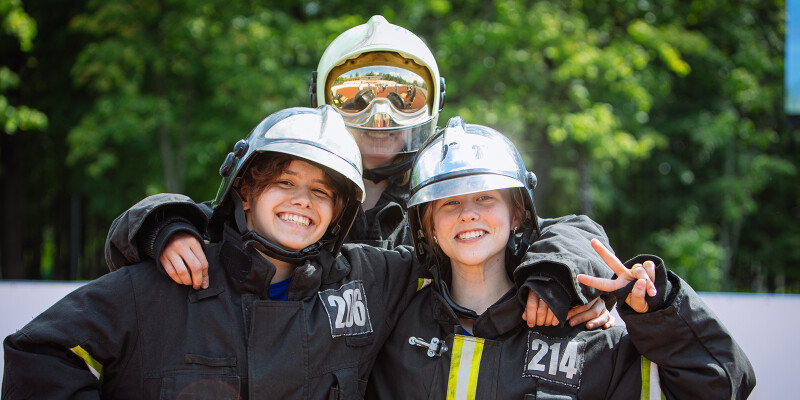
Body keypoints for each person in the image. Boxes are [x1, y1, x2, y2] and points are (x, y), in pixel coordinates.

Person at [2, 107, 611, 399]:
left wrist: (561, 273)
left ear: (343, 210)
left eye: (322, 191)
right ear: (246, 186)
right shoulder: (169, 275)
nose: (302, 203)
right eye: (283, 183)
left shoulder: (374, 277)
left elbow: (495, 230)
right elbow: (38, 352)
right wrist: (160, 218)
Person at [98, 15, 614, 332]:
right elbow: (215, 224)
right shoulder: (288, 187)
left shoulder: (442, 199)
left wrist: (557, 278)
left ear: (430, 105)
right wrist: (164, 224)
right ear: (323, 100)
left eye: (403, 95)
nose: (380, 115)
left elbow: (564, 232)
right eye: (356, 95)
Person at [365, 117, 756, 399]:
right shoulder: (387, 322)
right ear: (427, 224)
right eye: (449, 202)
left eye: (485, 197)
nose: (469, 213)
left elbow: (721, 387)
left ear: (518, 213)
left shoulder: (583, 331)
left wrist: (660, 313)